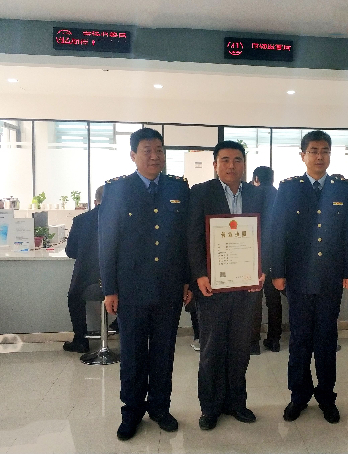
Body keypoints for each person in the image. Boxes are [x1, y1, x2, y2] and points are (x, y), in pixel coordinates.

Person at [99, 127, 192, 441]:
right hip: (131, 289)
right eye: (147, 151)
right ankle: (132, 412)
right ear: (133, 155)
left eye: (159, 150)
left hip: (168, 287)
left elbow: (185, 240)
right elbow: (107, 242)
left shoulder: (178, 187)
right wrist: (109, 288)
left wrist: (186, 280)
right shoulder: (117, 190)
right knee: (133, 354)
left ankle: (160, 408)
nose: (155, 156)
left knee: (164, 353)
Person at [270, 130, 348, 424]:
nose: (320, 156)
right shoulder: (289, 188)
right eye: (314, 151)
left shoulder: (342, 188)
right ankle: (298, 396)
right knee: (299, 340)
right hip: (298, 277)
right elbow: (278, 231)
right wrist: (278, 271)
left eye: (325, 151)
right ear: (303, 155)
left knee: (326, 339)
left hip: (330, 277)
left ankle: (326, 397)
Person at [187, 140, 267, 431]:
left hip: (246, 287)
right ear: (215, 164)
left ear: (244, 163)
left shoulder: (257, 195)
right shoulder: (200, 193)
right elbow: (192, 237)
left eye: (237, 160)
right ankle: (210, 407)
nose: (231, 165)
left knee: (240, 349)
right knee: (211, 349)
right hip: (212, 287)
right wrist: (199, 274)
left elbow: (267, 234)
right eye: (225, 160)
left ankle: (237, 403)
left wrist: (263, 270)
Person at [63, 185, 105, 353]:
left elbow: (70, 251)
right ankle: (120, 331)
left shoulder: (81, 220)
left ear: (95, 201)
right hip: (117, 278)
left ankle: (80, 340)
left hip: (87, 276)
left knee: (74, 298)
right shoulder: (122, 219)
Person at [250, 165, 282, 354]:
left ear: (256, 178)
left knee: (254, 299)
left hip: (255, 254)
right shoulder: (280, 195)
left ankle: (253, 343)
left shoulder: (252, 194)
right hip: (276, 255)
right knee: (274, 299)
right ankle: (274, 340)